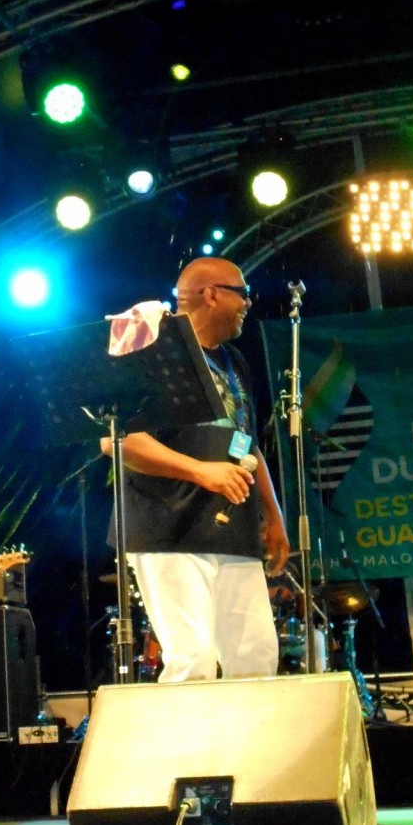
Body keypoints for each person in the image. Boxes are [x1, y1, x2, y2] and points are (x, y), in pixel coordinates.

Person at [102, 257, 290, 682]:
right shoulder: (152, 346)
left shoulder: (235, 362)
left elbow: (247, 440)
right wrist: (201, 471)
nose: (248, 303)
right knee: (193, 662)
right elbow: (117, 440)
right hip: (166, 528)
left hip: (232, 529)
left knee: (256, 659)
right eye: (242, 293)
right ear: (211, 294)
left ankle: (246, 732)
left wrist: (274, 513)